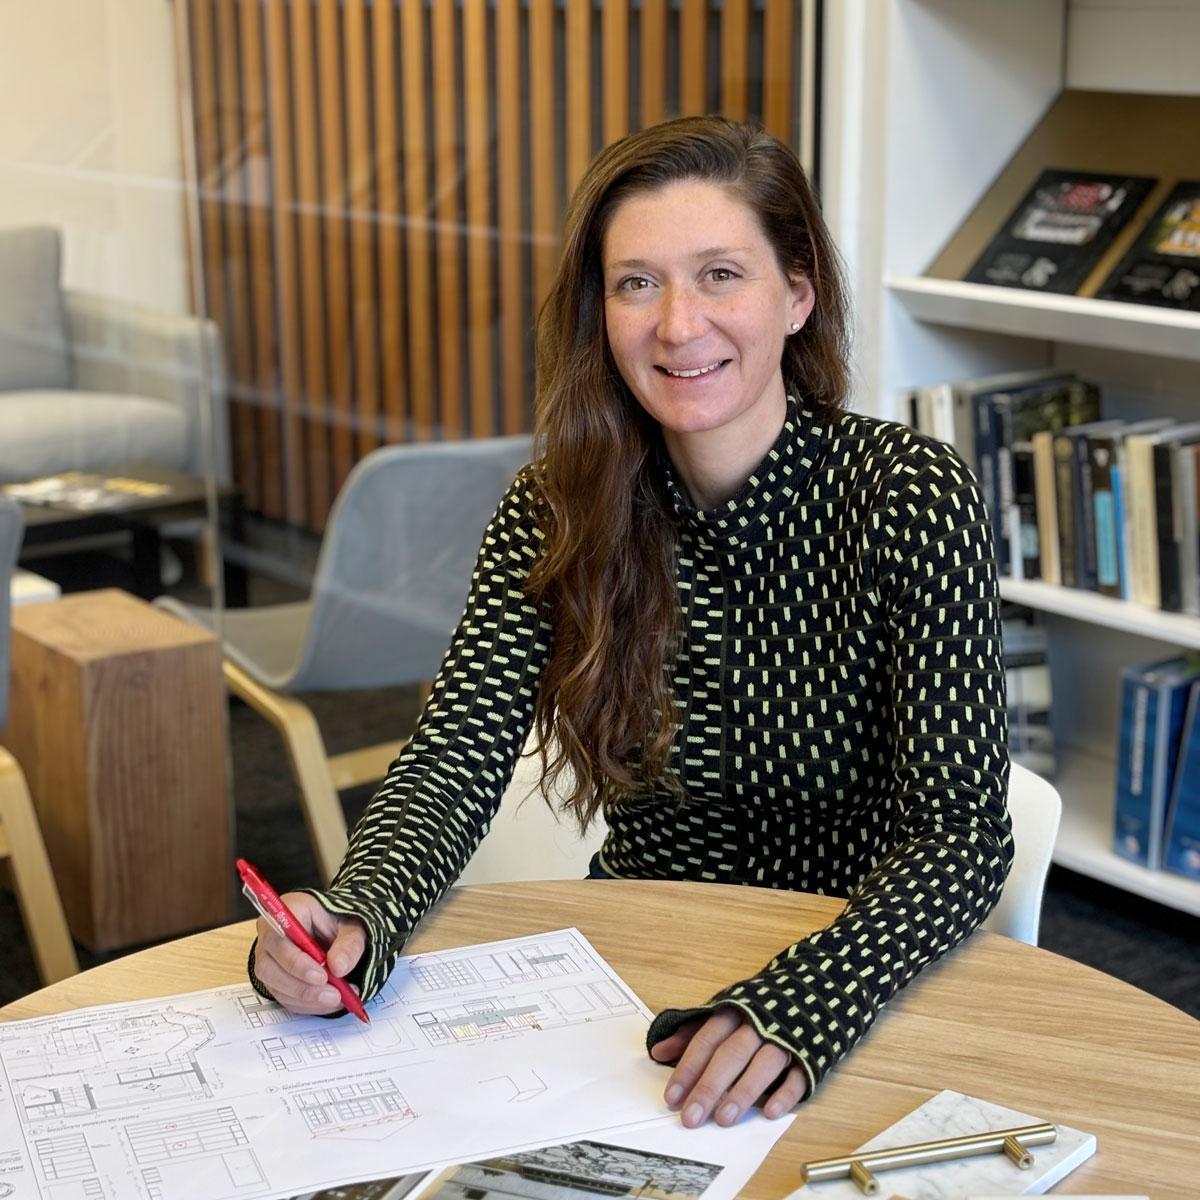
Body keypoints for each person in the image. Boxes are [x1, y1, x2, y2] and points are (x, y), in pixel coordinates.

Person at [249, 114, 1012, 1129]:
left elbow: (959, 834)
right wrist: (357, 914)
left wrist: (799, 1006)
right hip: (636, 976)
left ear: (797, 294)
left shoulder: (906, 492)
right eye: (636, 283)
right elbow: (455, 755)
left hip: (852, 974)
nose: (677, 325)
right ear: (598, 313)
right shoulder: (555, 508)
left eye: (720, 276)